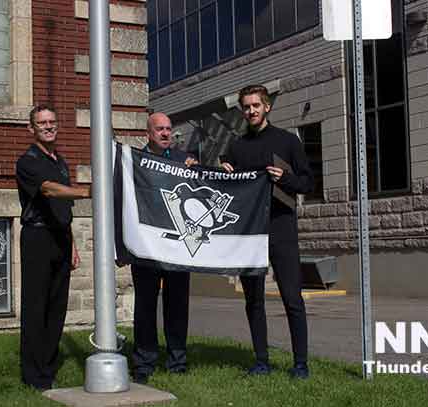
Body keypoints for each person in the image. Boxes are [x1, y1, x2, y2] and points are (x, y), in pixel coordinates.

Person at [221, 85, 314, 379]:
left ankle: (300, 364)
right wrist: (225, 171)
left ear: (267, 107)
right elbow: (228, 190)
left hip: (281, 228)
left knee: (292, 298)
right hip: (250, 233)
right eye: (246, 107)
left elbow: (308, 183)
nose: (250, 111)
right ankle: (261, 361)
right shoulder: (236, 147)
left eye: (255, 106)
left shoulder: (287, 142)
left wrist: (285, 177)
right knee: (254, 300)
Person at [16, 105, 90, 391]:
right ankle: (33, 376)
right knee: (36, 307)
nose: (48, 127)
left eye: (51, 122)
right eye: (41, 123)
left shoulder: (61, 161)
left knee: (57, 307)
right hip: (37, 238)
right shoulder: (28, 160)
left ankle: (48, 368)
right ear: (31, 129)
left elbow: (63, 206)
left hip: (60, 237)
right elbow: (48, 190)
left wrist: (71, 244)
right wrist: (87, 190)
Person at [131, 112, 198, 384]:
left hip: (178, 248)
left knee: (178, 306)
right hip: (146, 246)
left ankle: (177, 362)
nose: (165, 133)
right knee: (145, 306)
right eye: (159, 129)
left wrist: (200, 172)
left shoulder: (185, 161)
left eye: (169, 129)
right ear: (148, 133)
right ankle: (144, 363)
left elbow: (200, 194)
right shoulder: (134, 161)